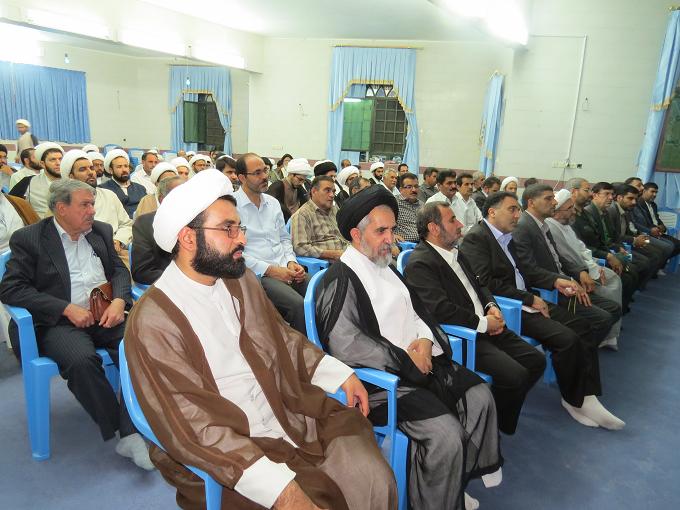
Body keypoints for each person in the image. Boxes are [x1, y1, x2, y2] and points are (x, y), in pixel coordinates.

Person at [126, 169, 397, 509]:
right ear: (188, 238)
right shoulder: (154, 320)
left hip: (285, 409)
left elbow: (283, 339)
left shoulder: (240, 280)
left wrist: (339, 374)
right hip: (227, 450)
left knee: (374, 477)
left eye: (240, 227)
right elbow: (192, 422)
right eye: (228, 229)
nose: (241, 238)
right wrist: (282, 492)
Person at [316, 186, 503, 510]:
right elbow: (347, 343)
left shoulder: (386, 266)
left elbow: (419, 312)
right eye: (381, 231)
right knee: (444, 434)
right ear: (356, 234)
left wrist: (426, 342)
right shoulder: (341, 278)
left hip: (420, 362)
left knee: (479, 397)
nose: (391, 239)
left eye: (392, 229)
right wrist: (406, 360)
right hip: (382, 382)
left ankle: (450, 480)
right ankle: (437, 498)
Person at [0, 179, 153, 469]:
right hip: (57, 322)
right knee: (82, 361)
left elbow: (119, 271)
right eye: (85, 205)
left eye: (92, 204)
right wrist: (65, 308)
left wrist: (119, 301)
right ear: (61, 208)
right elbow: (11, 289)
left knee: (142, 345)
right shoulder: (30, 238)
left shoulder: (100, 231)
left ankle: (135, 424)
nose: (92, 210)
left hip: (104, 313)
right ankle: (124, 432)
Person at [459, 192, 626, 429]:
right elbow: (485, 284)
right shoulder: (477, 238)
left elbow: (527, 270)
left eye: (518, 210)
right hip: (511, 307)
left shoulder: (507, 236)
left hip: (529, 300)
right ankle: (575, 400)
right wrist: (529, 298)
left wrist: (556, 280)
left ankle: (586, 395)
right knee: (567, 339)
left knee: (583, 327)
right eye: (512, 209)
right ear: (492, 212)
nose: (517, 215)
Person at [405, 202, 545, 434]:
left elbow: (480, 284)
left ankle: (495, 415)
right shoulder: (420, 263)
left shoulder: (456, 252)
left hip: (488, 324)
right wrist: (483, 323)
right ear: (434, 228)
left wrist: (491, 306)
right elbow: (440, 309)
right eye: (452, 220)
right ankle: (495, 425)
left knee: (536, 361)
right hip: (467, 335)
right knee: (516, 375)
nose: (460, 224)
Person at [512, 184, 621, 347]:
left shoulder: (542, 224)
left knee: (614, 308)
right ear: (531, 202)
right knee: (602, 319)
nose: (554, 202)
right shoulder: (523, 227)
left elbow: (558, 258)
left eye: (553, 198)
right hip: (550, 288)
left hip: (564, 281)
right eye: (549, 199)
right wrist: (563, 280)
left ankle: (583, 349)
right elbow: (528, 269)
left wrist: (579, 272)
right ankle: (582, 352)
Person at [234, 153, 309, 334]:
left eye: (265, 171)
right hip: (257, 274)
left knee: (322, 292)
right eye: (257, 173)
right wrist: (270, 270)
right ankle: (301, 349)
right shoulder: (232, 206)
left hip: (284, 266)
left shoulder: (273, 203)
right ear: (242, 177)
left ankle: (324, 344)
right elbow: (234, 252)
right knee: (298, 305)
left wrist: (291, 261)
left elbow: (284, 238)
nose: (265, 177)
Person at [546, 189, 623, 347]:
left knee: (617, 284)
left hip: (584, 270)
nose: (574, 211)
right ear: (557, 212)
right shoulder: (552, 227)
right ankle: (601, 339)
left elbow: (582, 249)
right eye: (569, 208)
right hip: (571, 279)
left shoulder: (567, 226)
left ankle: (606, 335)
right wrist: (586, 271)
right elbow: (567, 259)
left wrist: (594, 265)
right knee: (609, 298)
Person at [567, 178, 643, 300]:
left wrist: (612, 252)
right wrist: (608, 255)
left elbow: (602, 239)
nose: (590, 194)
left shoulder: (586, 214)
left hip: (598, 253)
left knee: (631, 270)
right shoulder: (571, 216)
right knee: (626, 277)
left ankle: (622, 304)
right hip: (588, 259)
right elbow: (579, 247)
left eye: (612, 194)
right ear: (574, 192)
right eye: (587, 190)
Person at [62, 149, 133, 261]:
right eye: (82, 169)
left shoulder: (109, 195)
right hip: (80, 256)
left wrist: (118, 240)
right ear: (71, 177)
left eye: (91, 168)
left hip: (114, 252)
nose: (90, 172)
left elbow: (127, 224)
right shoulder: (63, 203)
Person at [131, 176, 183, 285]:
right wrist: (183, 281)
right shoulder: (145, 224)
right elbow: (142, 271)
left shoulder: (201, 220)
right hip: (168, 285)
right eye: (182, 195)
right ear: (162, 200)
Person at [608, 183, 670, 274]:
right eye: (630, 198)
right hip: (619, 245)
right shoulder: (611, 211)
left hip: (634, 238)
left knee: (657, 251)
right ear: (619, 198)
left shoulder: (626, 210)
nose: (634, 202)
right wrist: (635, 239)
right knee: (647, 260)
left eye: (635, 199)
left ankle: (650, 276)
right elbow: (613, 236)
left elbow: (629, 231)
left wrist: (640, 237)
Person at [290, 175, 348, 261]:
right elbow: (299, 247)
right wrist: (333, 254)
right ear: (314, 191)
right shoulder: (302, 215)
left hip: (348, 256)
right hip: (328, 263)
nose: (332, 195)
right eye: (327, 190)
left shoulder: (335, 209)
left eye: (333, 191)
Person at [9, 142, 64, 218]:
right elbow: (10, 203)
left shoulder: (72, 182)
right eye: (53, 160)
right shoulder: (28, 182)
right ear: (42, 164)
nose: (58, 163)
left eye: (60, 159)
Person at [633, 181, 680, 258]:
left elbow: (657, 218)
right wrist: (652, 230)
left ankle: (662, 262)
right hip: (647, 233)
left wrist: (662, 226)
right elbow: (639, 223)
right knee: (669, 246)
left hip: (657, 231)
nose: (654, 195)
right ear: (644, 191)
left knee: (678, 245)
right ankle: (660, 262)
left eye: (656, 192)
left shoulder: (653, 205)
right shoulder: (637, 204)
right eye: (652, 191)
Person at [100, 150, 148, 218]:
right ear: (111, 170)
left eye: (126, 166)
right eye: (119, 167)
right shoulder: (103, 189)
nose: (124, 170)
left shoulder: (141, 189)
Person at [267, 158, 311, 222]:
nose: (301, 183)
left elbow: (306, 204)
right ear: (291, 174)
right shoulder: (278, 186)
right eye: (300, 179)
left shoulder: (298, 187)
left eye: (303, 181)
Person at [394, 172, 423, 243]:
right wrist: (392, 235)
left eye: (416, 186)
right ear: (401, 190)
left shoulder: (422, 205)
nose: (414, 190)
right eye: (409, 187)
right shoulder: (394, 203)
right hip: (403, 245)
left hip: (422, 244)